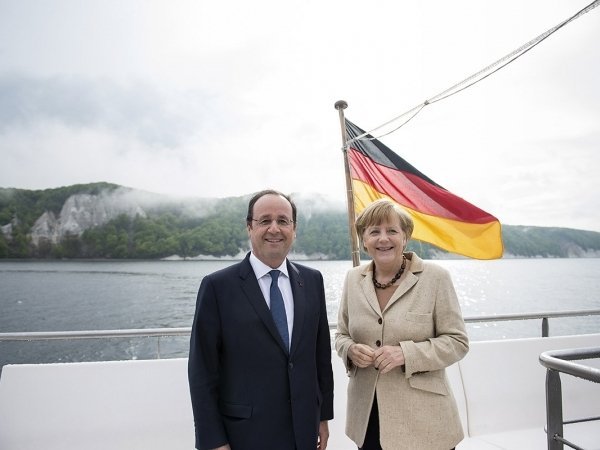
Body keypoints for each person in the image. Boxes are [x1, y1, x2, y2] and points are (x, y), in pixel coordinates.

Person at [188, 189, 334, 450]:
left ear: (294, 229)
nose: (274, 228)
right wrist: (213, 442)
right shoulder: (217, 287)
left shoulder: (312, 281)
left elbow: (320, 356)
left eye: (283, 221)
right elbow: (202, 371)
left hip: (304, 431)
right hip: (245, 435)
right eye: (265, 220)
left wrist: (323, 416)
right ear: (249, 227)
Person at [335, 199, 469, 450]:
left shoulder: (436, 278)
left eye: (392, 231)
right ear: (364, 240)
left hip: (426, 421)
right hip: (368, 418)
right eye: (374, 231)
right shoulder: (353, 279)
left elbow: (457, 342)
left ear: (405, 237)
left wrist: (405, 354)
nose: (383, 238)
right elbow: (341, 334)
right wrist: (350, 350)